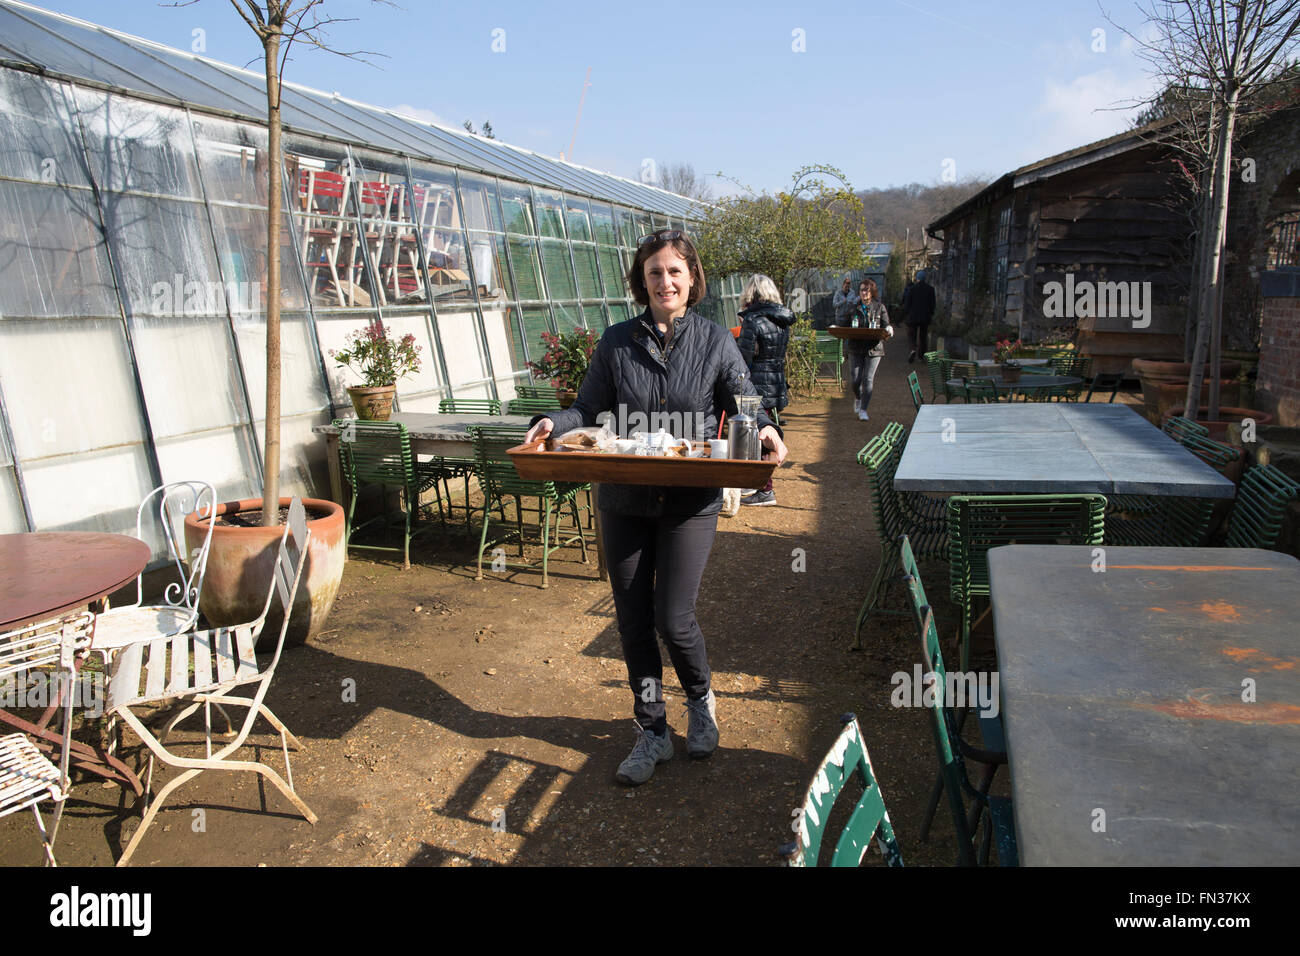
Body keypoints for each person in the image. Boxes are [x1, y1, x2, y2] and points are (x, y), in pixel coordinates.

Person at [523, 231, 788, 786]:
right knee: (634, 621)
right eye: (653, 274)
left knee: (674, 616)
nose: (664, 282)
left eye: (674, 271)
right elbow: (588, 407)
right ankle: (652, 731)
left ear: (692, 278)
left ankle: (700, 701)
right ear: (641, 283)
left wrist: (765, 428)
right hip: (624, 498)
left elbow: (745, 397)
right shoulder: (618, 341)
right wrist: (554, 425)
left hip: (691, 501)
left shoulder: (716, 339)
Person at [735, 274, 793, 507]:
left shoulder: (752, 320)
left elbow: (742, 359)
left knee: (756, 436)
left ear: (751, 295)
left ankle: (764, 489)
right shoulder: (782, 320)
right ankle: (761, 485)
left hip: (755, 384)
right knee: (767, 436)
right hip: (776, 383)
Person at [836, 278, 892, 421]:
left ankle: (863, 410)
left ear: (872, 292)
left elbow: (886, 324)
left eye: (867, 290)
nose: (864, 292)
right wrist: (837, 328)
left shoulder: (880, 307)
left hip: (874, 349)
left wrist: (888, 329)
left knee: (867, 379)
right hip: (856, 348)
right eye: (861, 290)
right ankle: (858, 398)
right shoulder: (853, 308)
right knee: (855, 379)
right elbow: (843, 324)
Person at [904, 269, 936, 362]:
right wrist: (931, 314)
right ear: (925, 278)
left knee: (912, 335)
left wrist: (907, 314)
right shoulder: (930, 289)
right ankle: (921, 355)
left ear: (917, 278)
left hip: (913, 317)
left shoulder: (912, 289)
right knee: (923, 337)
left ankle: (913, 349)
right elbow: (932, 304)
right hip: (925, 317)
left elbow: (907, 304)